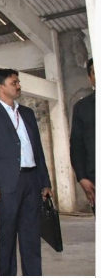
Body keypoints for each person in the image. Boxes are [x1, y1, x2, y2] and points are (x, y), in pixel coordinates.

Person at [0, 68, 53, 276]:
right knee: (7, 237)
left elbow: (38, 150)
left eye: (18, 82)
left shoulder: (26, 113)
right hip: (6, 184)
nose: (19, 86)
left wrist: (45, 182)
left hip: (31, 180)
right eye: (14, 83)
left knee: (31, 236)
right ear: (1, 87)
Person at [70, 58, 95, 212]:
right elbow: (76, 145)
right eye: (95, 72)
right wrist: (82, 177)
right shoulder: (82, 107)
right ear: (90, 77)